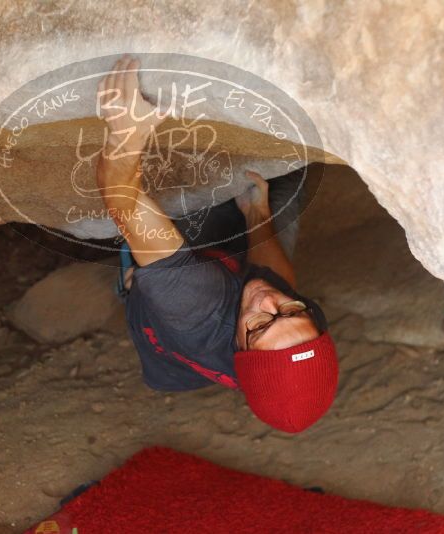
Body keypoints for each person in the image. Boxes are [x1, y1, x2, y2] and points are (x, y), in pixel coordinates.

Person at [96, 55, 338, 433]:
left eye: (260, 325)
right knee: (290, 178)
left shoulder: (196, 305)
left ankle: (132, 279)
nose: (269, 301)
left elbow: (122, 200)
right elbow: (274, 280)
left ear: (240, 346)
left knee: (177, 187)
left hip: (172, 315)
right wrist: (255, 212)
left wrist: (124, 130)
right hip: (201, 332)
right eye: (293, 312)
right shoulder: (283, 323)